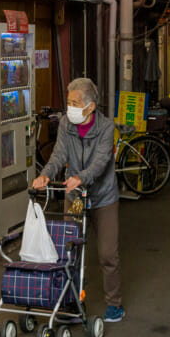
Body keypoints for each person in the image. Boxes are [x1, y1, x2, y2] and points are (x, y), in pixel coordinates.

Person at [30, 77, 124, 324]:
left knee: (107, 254)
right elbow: (59, 155)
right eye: (68, 101)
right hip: (75, 196)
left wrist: (81, 177)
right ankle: (71, 300)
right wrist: (45, 175)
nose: (69, 107)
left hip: (104, 197)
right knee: (70, 251)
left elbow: (101, 162)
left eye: (74, 102)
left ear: (90, 107)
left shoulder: (105, 128)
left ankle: (114, 303)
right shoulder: (66, 124)